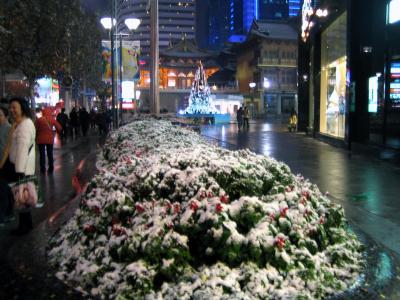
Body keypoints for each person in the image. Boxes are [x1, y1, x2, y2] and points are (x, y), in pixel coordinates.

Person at [5, 97, 36, 235]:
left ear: (22, 108)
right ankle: (26, 224)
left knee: (22, 197)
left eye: (14, 107)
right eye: (11, 107)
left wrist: (19, 171)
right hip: (22, 167)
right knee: (24, 197)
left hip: (21, 167)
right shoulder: (23, 123)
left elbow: (23, 149)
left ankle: (24, 227)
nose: (12, 110)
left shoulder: (24, 126)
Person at [35, 107, 62, 173]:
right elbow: (59, 128)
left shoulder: (39, 120)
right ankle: (51, 168)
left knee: (42, 154)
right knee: (50, 154)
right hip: (49, 139)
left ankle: (42, 169)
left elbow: (35, 129)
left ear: (43, 112)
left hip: (40, 139)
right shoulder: (52, 119)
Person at [0, 106, 13, 226]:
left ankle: (3, 216)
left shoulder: (10, 129)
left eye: (0, 115)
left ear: (6, 116)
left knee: (4, 191)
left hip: (6, 164)